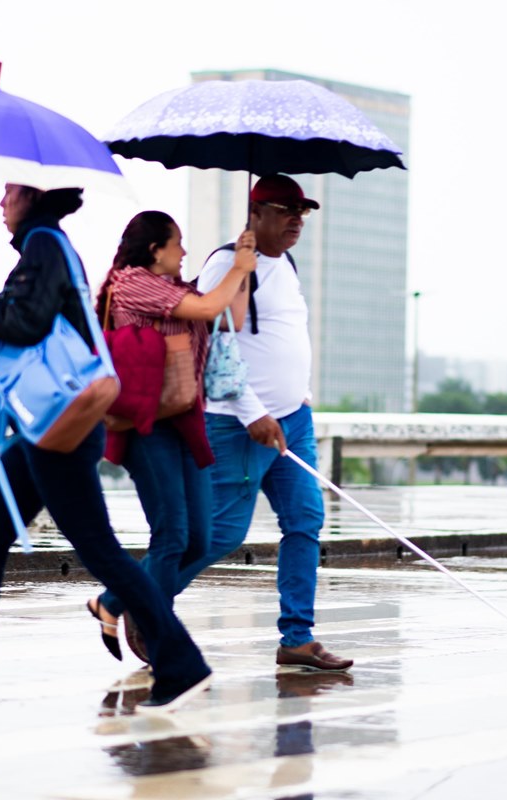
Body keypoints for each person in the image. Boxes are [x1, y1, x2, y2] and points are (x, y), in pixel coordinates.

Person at [0, 184, 212, 714]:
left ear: (32, 199)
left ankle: (184, 665)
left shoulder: (43, 243)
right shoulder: (49, 245)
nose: (0, 202)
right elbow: (40, 321)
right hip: (42, 430)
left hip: (62, 428)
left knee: (100, 552)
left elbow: (28, 322)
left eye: (9, 192)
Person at [187, 174, 354, 672]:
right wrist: (252, 411)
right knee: (221, 534)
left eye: (302, 213)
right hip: (239, 424)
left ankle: (296, 638)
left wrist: (295, 397)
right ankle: (134, 599)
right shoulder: (227, 263)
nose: (297, 221)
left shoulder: (288, 262)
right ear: (255, 213)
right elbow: (216, 346)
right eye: (286, 211)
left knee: (305, 521)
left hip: (293, 419)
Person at [84, 211, 256, 660]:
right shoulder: (132, 282)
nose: (184, 252)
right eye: (177, 243)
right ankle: (163, 640)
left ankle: (114, 602)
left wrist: (246, 265)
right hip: (146, 425)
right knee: (172, 536)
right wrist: (236, 269)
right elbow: (204, 309)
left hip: (181, 417)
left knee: (200, 537)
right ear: (155, 248)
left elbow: (227, 316)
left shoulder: (179, 289)